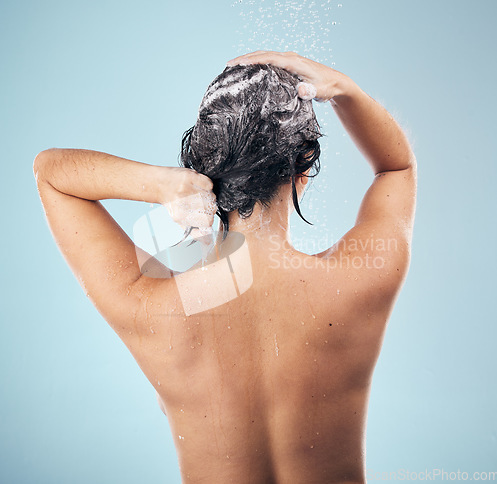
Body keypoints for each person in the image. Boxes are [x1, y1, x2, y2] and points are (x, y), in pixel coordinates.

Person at [34, 51, 417, 484]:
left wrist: (161, 184)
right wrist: (345, 89)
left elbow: (50, 172)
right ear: (303, 164)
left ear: (202, 169)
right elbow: (396, 168)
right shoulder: (358, 281)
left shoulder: (148, 305)